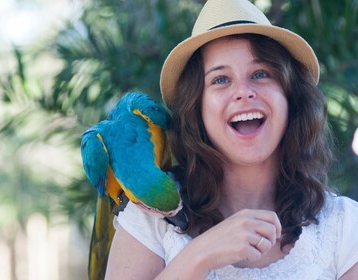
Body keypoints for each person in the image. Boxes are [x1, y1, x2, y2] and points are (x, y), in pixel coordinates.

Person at [105, 0, 358, 279]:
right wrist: (200, 255)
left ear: (291, 97)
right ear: (197, 109)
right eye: (221, 80)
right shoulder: (152, 216)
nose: (243, 92)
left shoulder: (344, 226)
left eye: (261, 74)